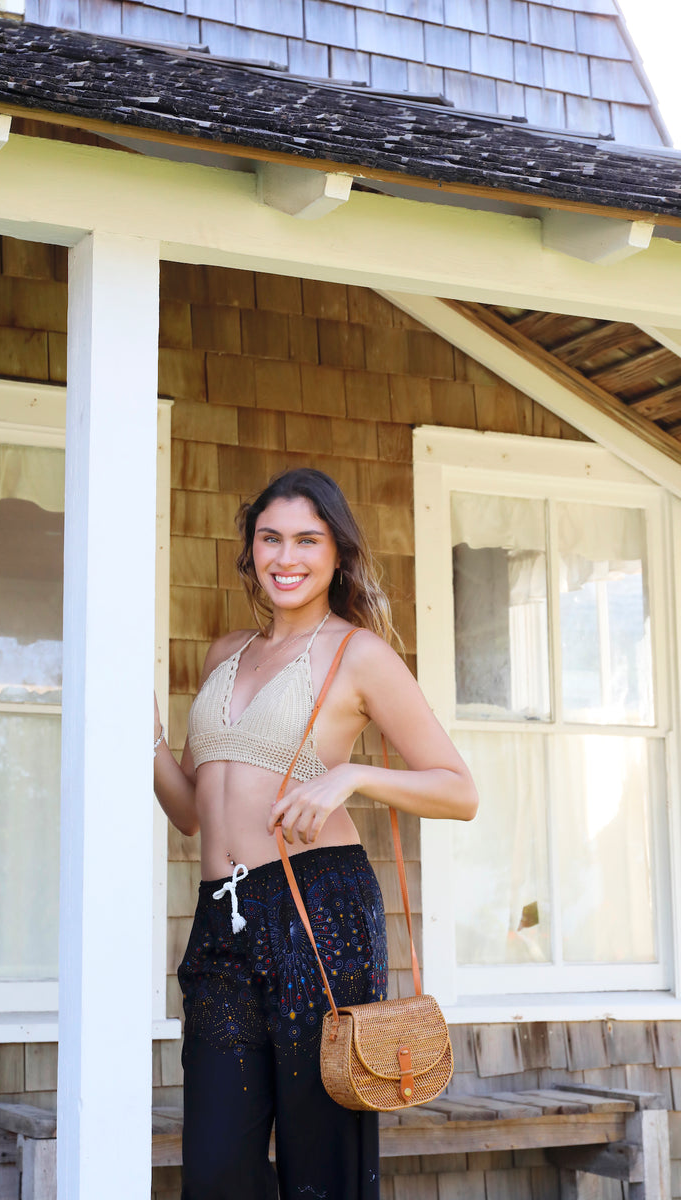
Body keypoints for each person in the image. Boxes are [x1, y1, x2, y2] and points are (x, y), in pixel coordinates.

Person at [153, 467, 478, 1200]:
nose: (286, 557)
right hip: (222, 919)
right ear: (250, 550)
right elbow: (192, 814)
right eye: (270, 539)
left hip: (316, 912)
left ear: (337, 554)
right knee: (215, 1170)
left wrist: (351, 777)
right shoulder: (224, 654)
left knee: (321, 1167)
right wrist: (148, 747)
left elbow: (459, 791)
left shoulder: (357, 654)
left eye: (307, 539)